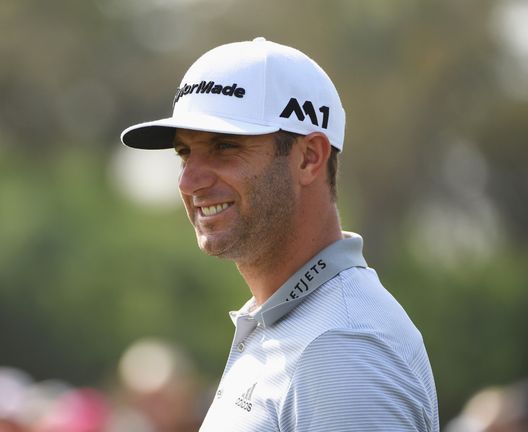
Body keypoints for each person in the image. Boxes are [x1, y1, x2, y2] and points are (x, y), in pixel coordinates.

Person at [120, 37, 439, 431]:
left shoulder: (341, 346)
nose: (189, 181)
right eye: (184, 153)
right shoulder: (291, 322)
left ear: (309, 158)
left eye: (224, 146)